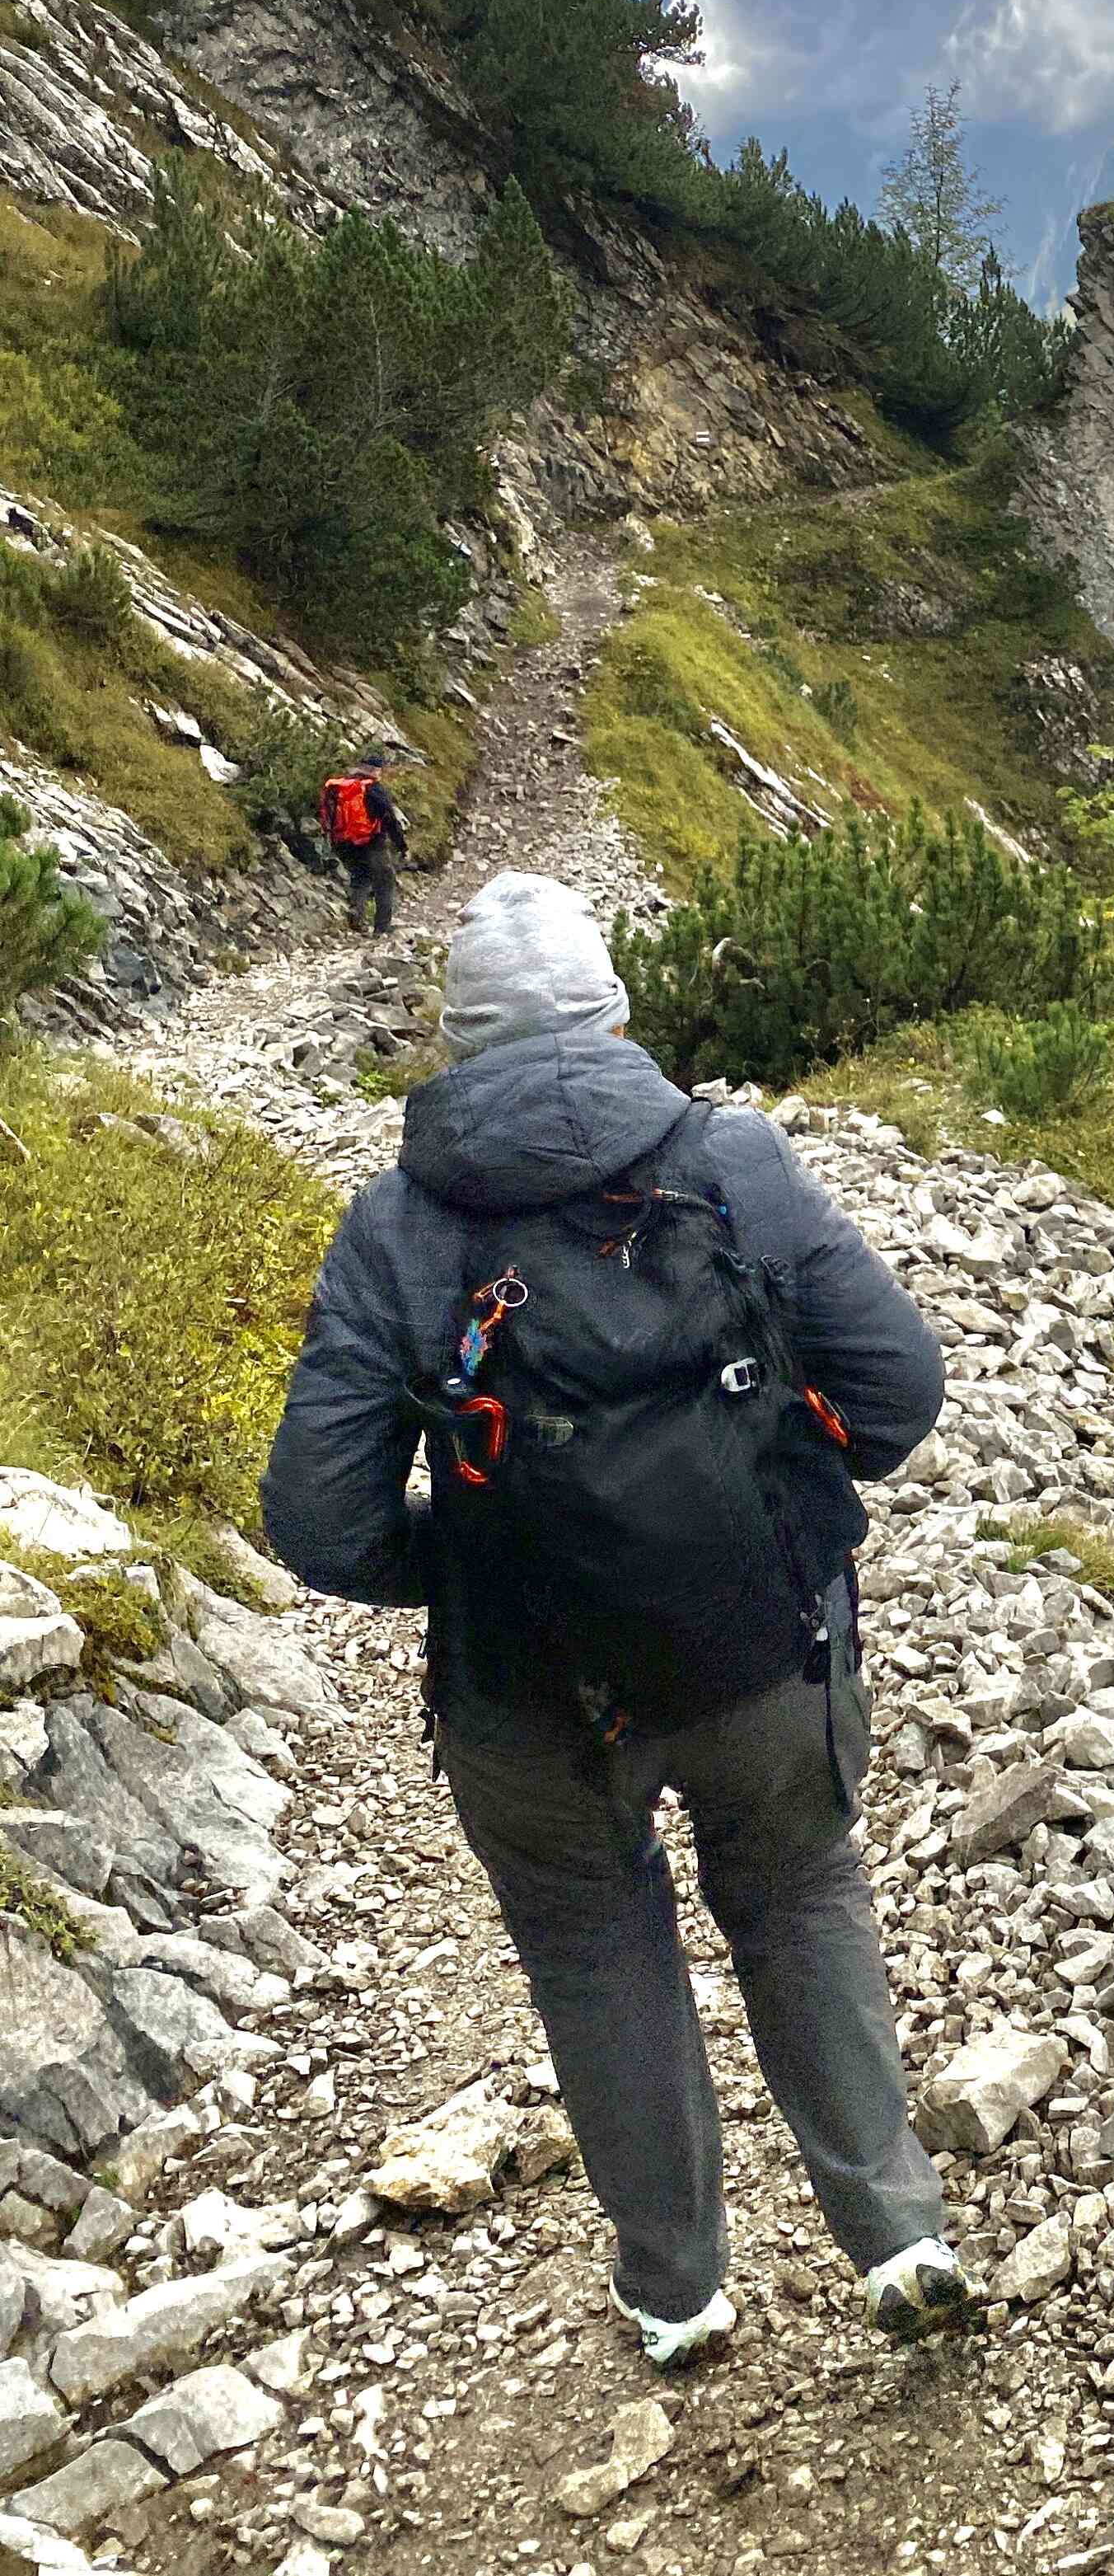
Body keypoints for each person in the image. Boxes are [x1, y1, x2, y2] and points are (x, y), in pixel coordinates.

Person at [260, 871, 963, 2364]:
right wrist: (763, 1495)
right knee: (798, 1893)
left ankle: (676, 2292)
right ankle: (898, 2234)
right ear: (614, 1009)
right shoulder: (732, 1158)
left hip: (529, 1697)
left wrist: (472, 1562)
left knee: (594, 1950)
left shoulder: (396, 1225)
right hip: (760, 1647)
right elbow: (899, 1393)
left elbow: (319, 1520)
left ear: (456, 1040)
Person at [318, 753, 411, 935]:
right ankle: (382, 928)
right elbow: (389, 819)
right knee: (385, 880)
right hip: (371, 841)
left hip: (342, 841)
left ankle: (357, 913)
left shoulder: (340, 787)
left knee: (360, 876)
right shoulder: (374, 789)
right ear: (376, 770)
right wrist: (402, 846)